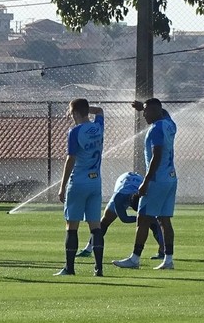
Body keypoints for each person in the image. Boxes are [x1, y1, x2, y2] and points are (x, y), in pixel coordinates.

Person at [113, 98, 178, 271]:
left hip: (157, 180)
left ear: (157, 111)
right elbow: (164, 113)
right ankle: (168, 259)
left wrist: (146, 181)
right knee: (164, 219)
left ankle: (134, 258)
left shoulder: (156, 128)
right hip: (171, 177)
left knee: (143, 218)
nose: (144, 114)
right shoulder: (170, 124)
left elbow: (157, 155)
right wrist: (143, 106)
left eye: (147, 111)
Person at [55, 98, 104, 276]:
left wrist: (62, 186)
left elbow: (71, 159)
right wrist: (83, 108)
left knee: (72, 225)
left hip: (79, 181)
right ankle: (99, 268)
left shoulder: (74, 132)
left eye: (71, 113)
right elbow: (99, 111)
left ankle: (69, 268)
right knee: (95, 226)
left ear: (75, 113)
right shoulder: (98, 127)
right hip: (95, 182)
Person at [76, 171, 165, 259]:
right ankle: (88, 249)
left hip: (138, 181)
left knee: (153, 222)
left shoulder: (146, 194)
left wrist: (147, 220)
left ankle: (163, 251)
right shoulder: (118, 198)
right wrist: (140, 219)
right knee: (105, 221)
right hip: (123, 181)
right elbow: (124, 219)